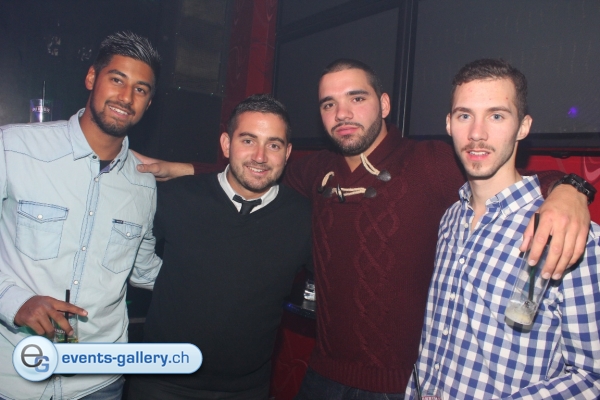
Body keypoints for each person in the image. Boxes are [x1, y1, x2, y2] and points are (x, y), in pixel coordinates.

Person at [134, 59, 590, 398]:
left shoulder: (429, 162)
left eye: (357, 98)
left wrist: (570, 191)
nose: (343, 113)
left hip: (400, 386)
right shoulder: (316, 170)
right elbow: (254, 168)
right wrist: (182, 169)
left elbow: (500, 172)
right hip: (321, 373)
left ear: (384, 104)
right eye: (329, 104)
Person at [405, 58, 600, 399]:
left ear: (523, 127)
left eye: (496, 116)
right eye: (464, 116)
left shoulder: (567, 232)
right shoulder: (450, 218)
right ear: (449, 124)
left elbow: (592, 375)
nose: (477, 133)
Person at [0, 31, 162, 400]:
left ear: (149, 103)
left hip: (98, 382)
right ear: (92, 78)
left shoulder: (143, 185)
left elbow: (144, 269)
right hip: (12, 377)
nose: (126, 97)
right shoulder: (13, 148)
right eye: (117, 79)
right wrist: (13, 301)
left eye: (140, 89)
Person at [127, 94, 312, 400]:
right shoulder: (176, 198)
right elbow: (120, 256)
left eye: (274, 145)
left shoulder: (303, 218)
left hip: (247, 389)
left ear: (288, 153)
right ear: (226, 144)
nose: (260, 156)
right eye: (248, 141)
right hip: (161, 383)